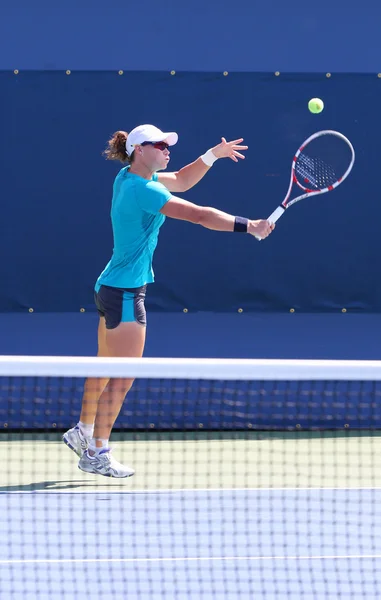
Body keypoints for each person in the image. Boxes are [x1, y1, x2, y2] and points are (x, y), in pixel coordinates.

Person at [63, 124, 275, 477]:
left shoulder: (126, 178)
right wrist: (248, 225)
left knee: (103, 366)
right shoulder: (143, 190)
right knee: (124, 375)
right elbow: (199, 214)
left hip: (110, 288)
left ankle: (83, 431)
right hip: (127, 294)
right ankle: (96, 451)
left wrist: (212, 155)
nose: (166, 149)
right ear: (138, 150)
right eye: (158, 145)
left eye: (167, 145)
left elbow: (181, 179)